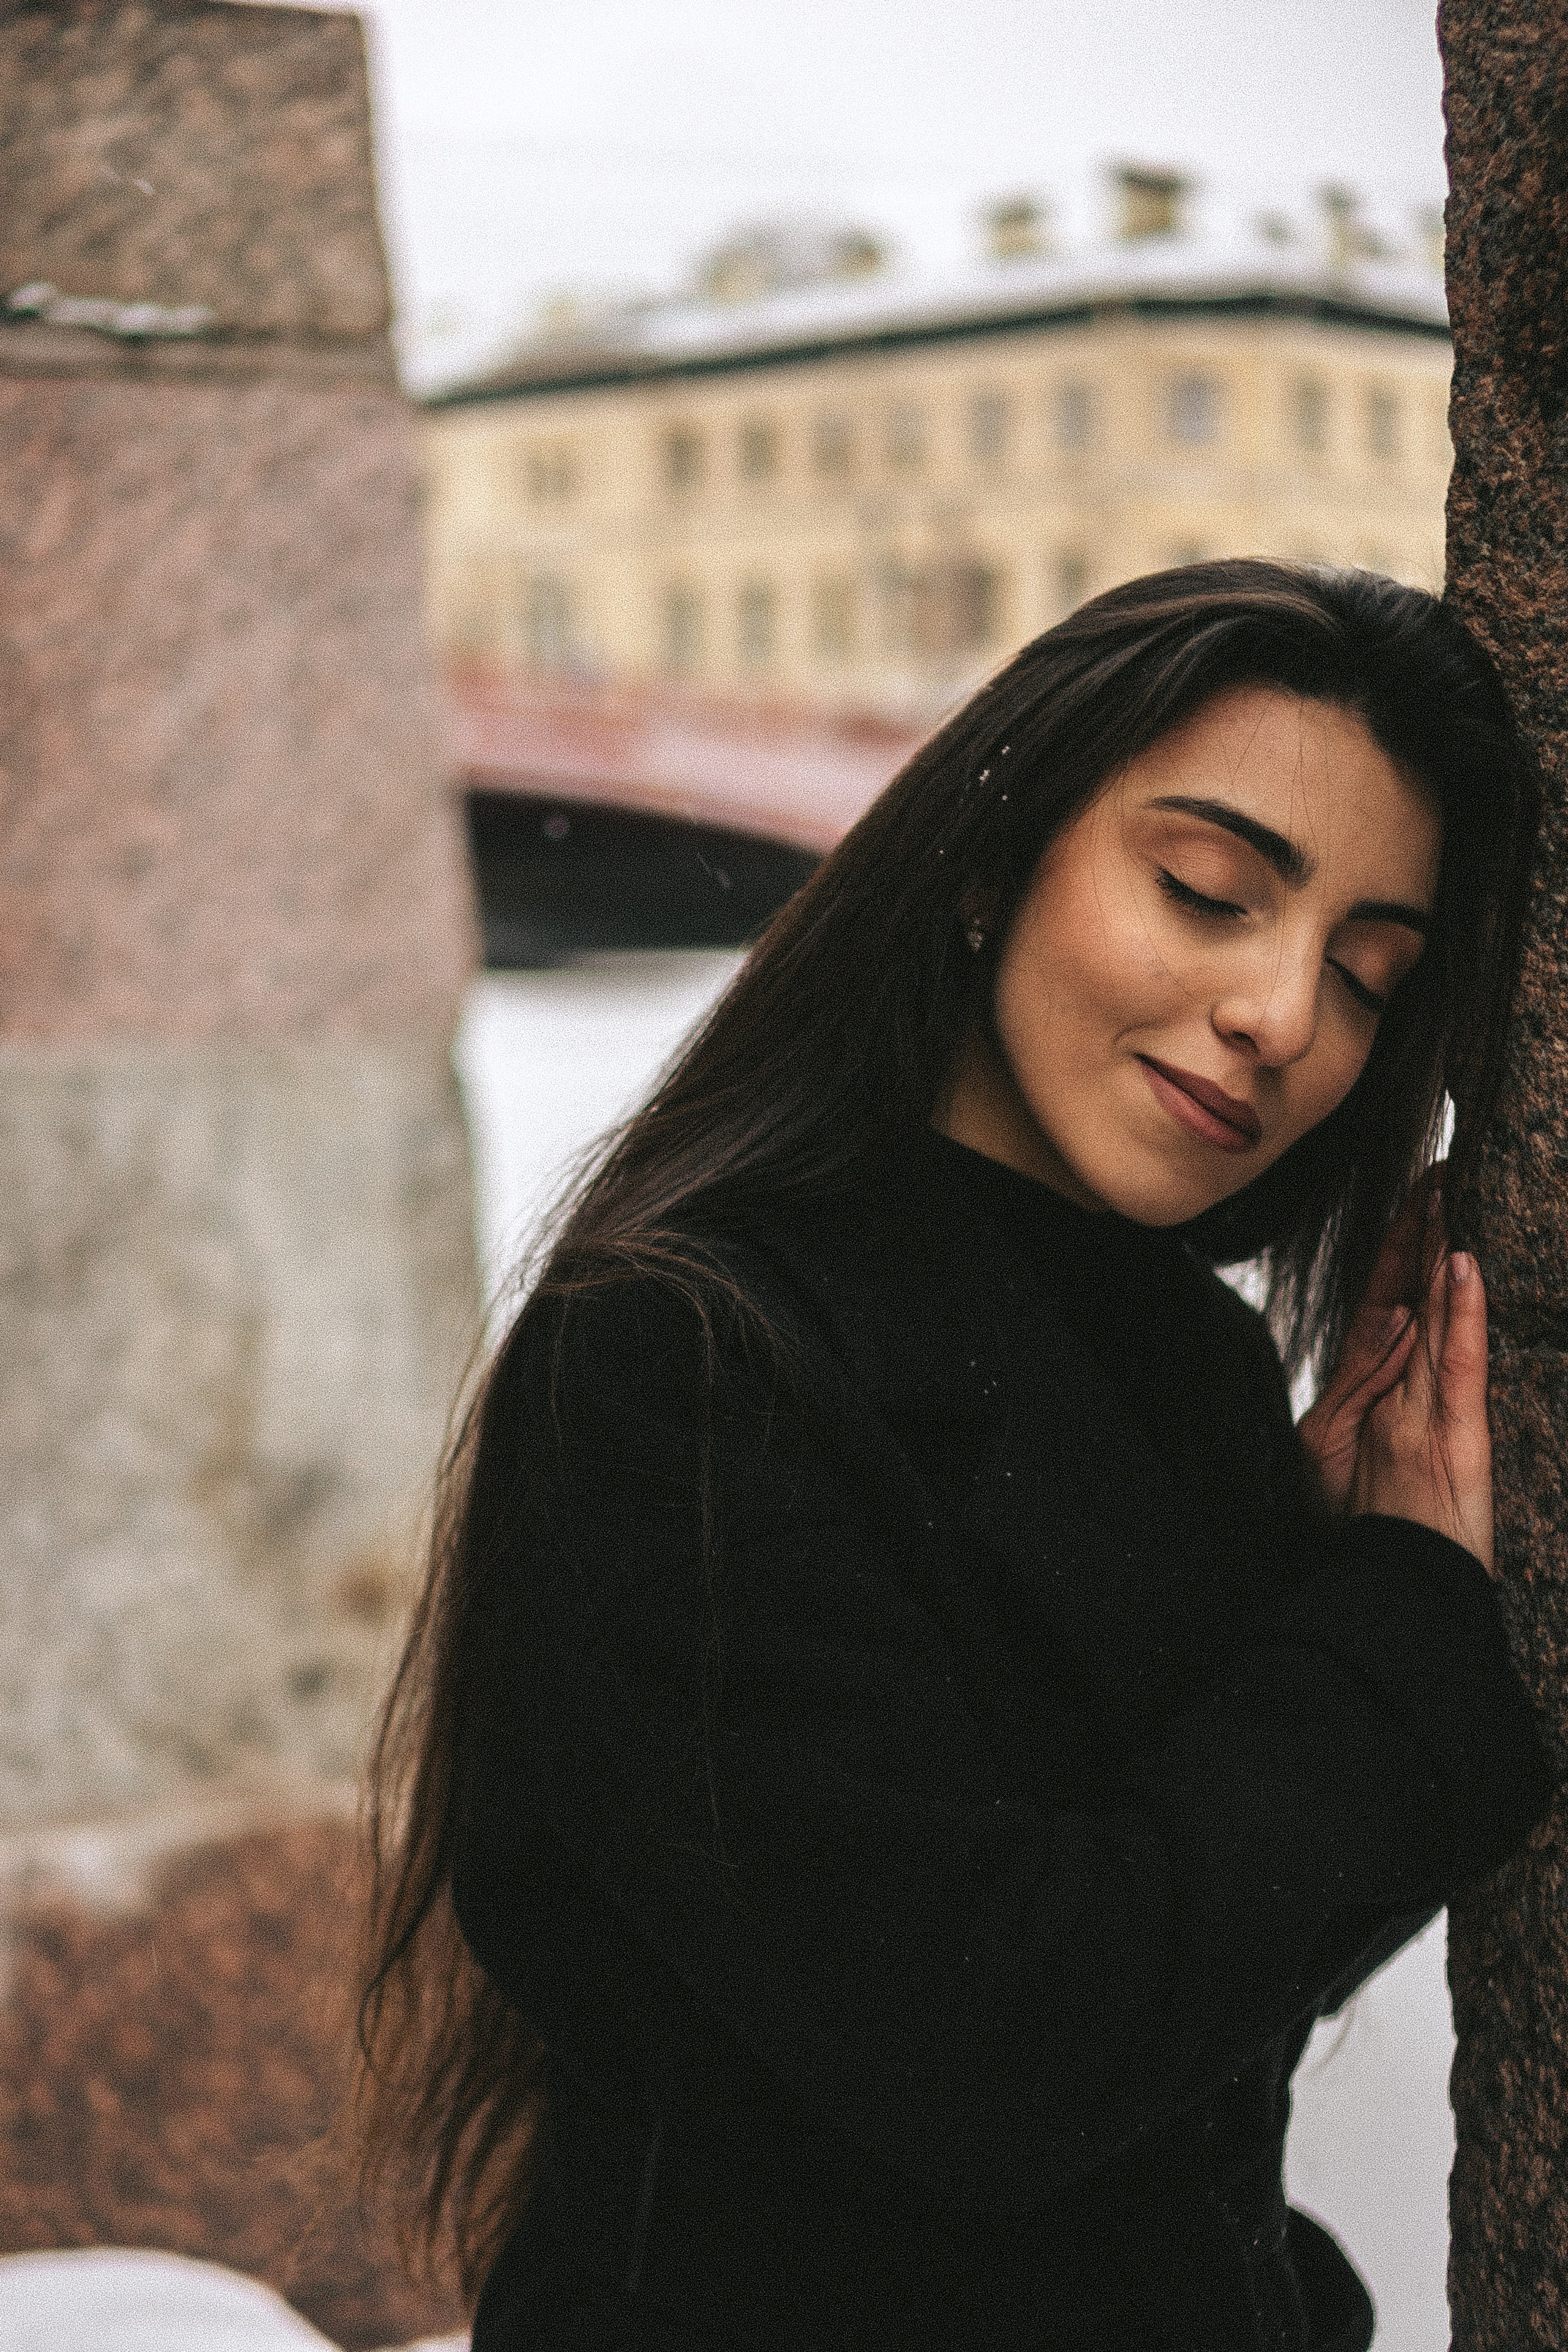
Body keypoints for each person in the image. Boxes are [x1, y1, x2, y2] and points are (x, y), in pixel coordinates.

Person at [359, 562, 1557, 2352]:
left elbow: (1195, 2015)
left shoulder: (1190, 1367)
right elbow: (992, 2055)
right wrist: (1364, 1646)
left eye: (1369, 978)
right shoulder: (679, 1360)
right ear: (992, 857)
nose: (1284, 1016)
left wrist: (1320, 1599)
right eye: (1209, 891)